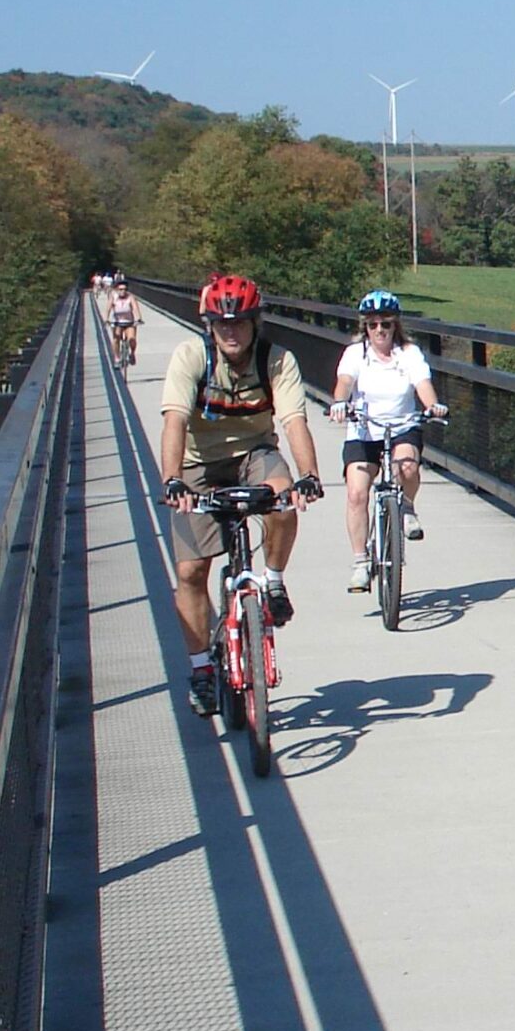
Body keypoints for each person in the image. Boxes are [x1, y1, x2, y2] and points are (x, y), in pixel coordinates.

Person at [158, 273, 323, 714]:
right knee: (191, 571)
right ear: (209, 325)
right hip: (198, 465)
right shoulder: (191, 357)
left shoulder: (276, 360)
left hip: (254, 453)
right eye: (222, 324)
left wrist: (309, 474)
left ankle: (272, 580)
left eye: (240, 323)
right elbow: (174, 421)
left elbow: (293, 422)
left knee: (284, 496)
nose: (231, 332)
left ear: (255, 323)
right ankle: (201, 671)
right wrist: (172, 479)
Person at [327, 289, 447, 592]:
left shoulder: (408, 353)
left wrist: (433, 406)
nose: (379, 330)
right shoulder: (356, 354)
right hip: (365, 428)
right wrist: (340, 402)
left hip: (402, 425)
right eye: (373, 324)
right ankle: (360, 563)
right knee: (357, 493)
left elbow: (422, 384)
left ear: (396, 326)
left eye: (386, 324)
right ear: (365, 327)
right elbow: (344, 382)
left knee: (407, 467)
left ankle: (406, 507)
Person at [106, 277, 141, 366]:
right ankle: (117, 358)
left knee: (132, 339)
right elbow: (108, 309)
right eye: (120, 289)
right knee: (116, 339)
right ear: (117, 289)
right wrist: (106, 319)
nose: (123, 291)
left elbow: (136, 309)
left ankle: (132, 353)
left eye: (125, 289)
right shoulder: (113, 297)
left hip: (129, 322)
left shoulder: (130, 297)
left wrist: (138, 319)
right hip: (117, 322)